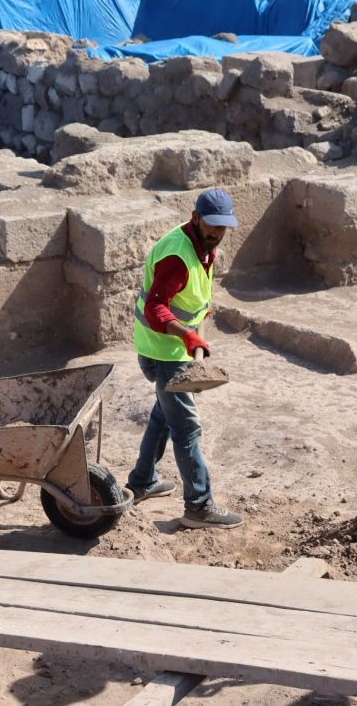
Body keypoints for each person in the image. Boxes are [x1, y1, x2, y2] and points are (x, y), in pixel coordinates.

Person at [127, 188, 244, 530]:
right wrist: (188, 336)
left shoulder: (205, 246)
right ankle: (199, 505)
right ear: (196, 218)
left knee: (163, 415)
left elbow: (193, 299)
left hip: (172, 348)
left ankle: (142, 481)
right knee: (187, 427)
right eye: (212, 226)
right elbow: (156, 307)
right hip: (163, 351)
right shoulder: (178, 256)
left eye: (223, 227)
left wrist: (196, 335)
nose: (217, 233)